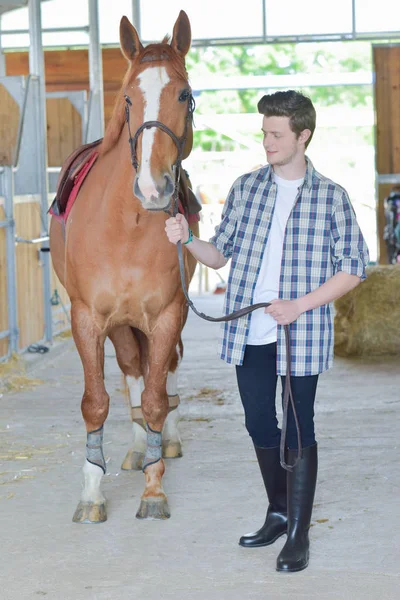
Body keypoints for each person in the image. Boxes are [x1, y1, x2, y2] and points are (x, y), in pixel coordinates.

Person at [165, 90, 369, 573]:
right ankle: (278, 511)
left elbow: (355, 268)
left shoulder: (331, 197)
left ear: (303, 136)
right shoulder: (246, 187)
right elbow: (220, 254)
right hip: (250, 330)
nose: (267, 142)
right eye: (264, 133)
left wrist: (300, 305)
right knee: (259, 422)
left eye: (276, 134)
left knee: (298, 427)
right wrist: (189, 239)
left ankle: (298, 533)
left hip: (302, 331)